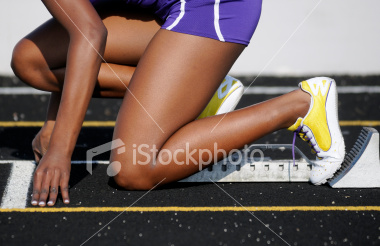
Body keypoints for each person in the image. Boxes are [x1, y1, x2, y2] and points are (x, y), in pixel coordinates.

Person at [11, 0, 345, 207]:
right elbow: (83, 25)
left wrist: (60, 150)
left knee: (134, 170)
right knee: (30, 59)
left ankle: (299, 106)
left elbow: (89, 34)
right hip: (166, 9)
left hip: (215, 6)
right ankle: (195, 92)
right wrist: (52, 124)